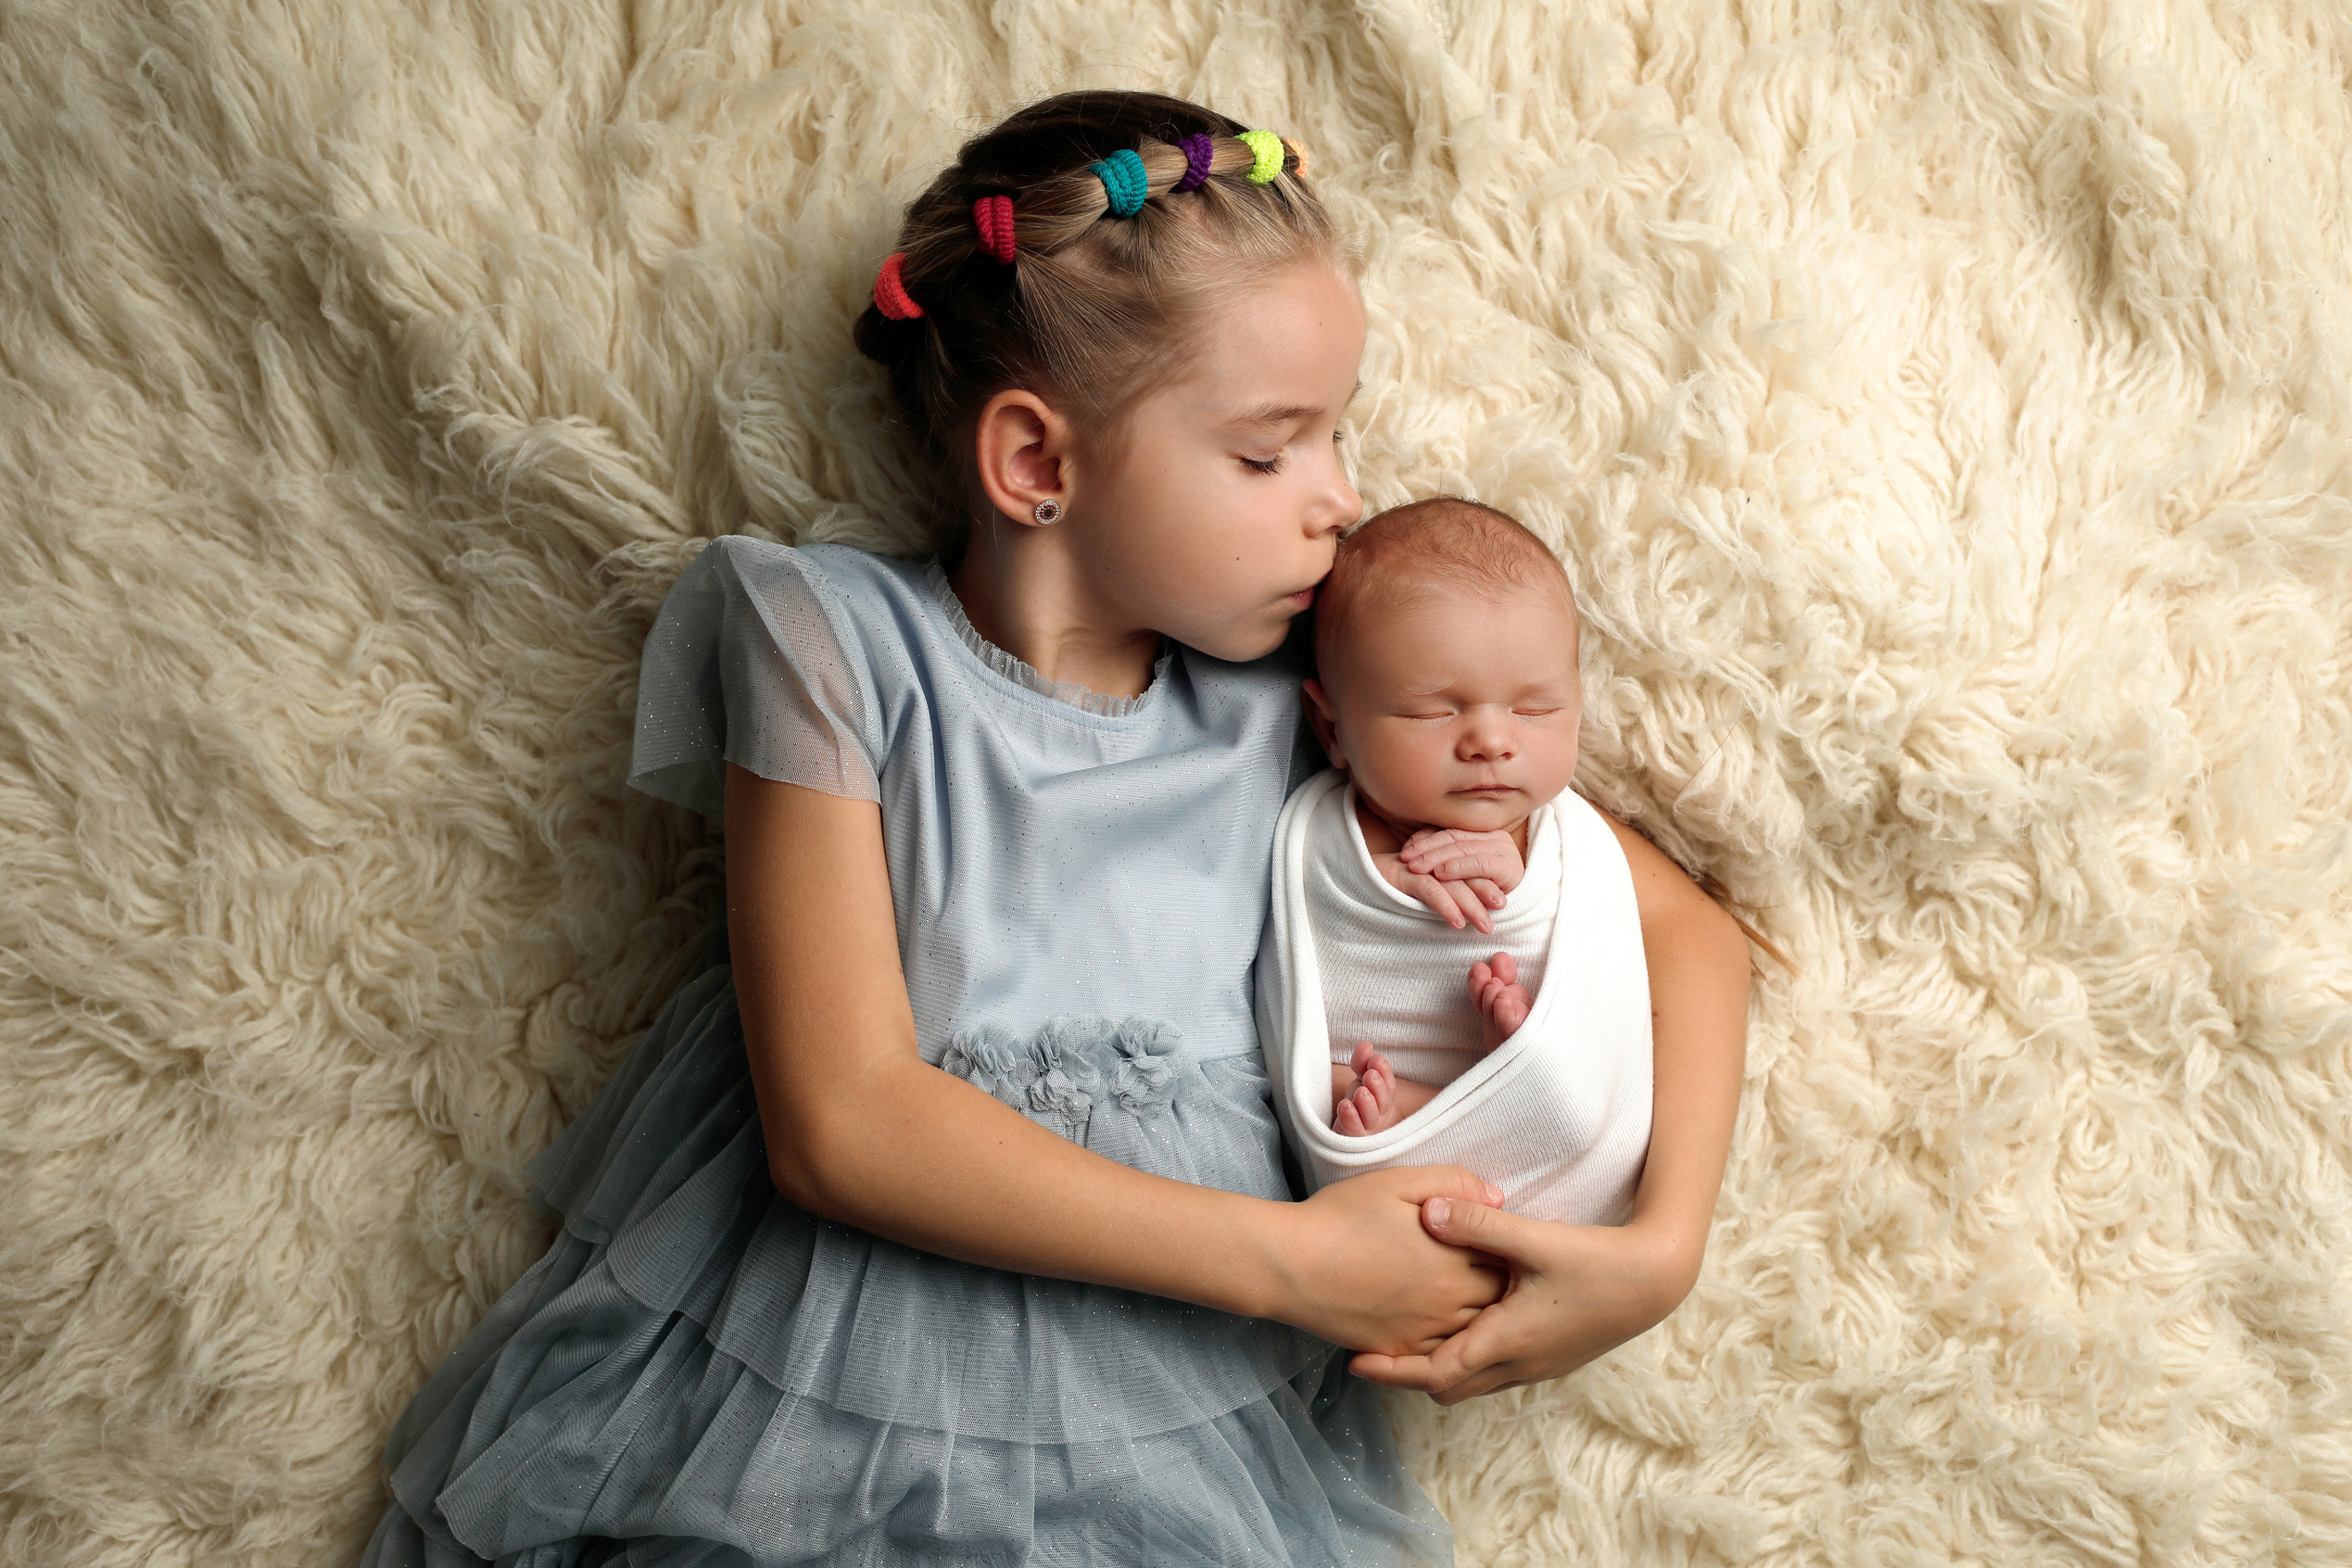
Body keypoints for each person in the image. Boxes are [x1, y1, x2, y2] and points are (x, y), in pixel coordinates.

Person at [360, 91, 1746, 1568]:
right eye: (1269, 451)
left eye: (1337, 434)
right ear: (1037, 463)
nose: (1342, 500)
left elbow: (1683, 928)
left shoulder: (1318, 688)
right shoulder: (832, 642)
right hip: (824, 1374)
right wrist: (1293, 1263)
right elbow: (842, 1120)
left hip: (1174, 1413)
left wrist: (1658, 1252)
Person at [1258, 496, 1675, 1235]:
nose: (1491, 740)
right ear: (1332, 728)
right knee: (1335, 1082)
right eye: (1433, 711)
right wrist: (1381, 877)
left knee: (1562, 1075)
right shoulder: (1320, 829)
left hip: (1561, 1158)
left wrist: (1520, 876)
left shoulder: (1567, 843)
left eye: (1535, 709)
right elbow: (1316, 910)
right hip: (1371, 1170)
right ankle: (1413, 1110)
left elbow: (1596, 957)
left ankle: (1513, 1066)